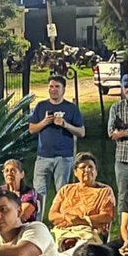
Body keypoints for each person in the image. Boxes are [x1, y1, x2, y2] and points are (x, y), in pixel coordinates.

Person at [29, 74, 87, 207]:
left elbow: (81, 132)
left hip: (63, 157)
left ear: (63, 89)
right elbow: (32, 129)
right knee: (38, 193)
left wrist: (65, 124)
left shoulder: (71, 108)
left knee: (63, 193)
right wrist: (45, 122)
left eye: (57, 86)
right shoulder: (41, 106)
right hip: (43, 157)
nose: (53, 89)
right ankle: (38, 218)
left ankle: (61, 217)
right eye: (51, 86)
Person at [48, 153, 116, 246]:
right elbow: (52, 215)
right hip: (63, 231)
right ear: (75, 172)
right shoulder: (66, 189)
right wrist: (66, 217)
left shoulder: (104, 191)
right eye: (83, 167)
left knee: (75, 244)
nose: (87, 170)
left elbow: (107, 216)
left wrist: (81, 220)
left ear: (96, 172)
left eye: (91, 167)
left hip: (89, 232)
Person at [1, 157, 42, 223]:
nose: (9, 173)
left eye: (13, 170)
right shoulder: (0, 191)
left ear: (22, 174)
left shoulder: (29, 193)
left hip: (23, 227)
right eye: (6, 171)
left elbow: (22, 215)